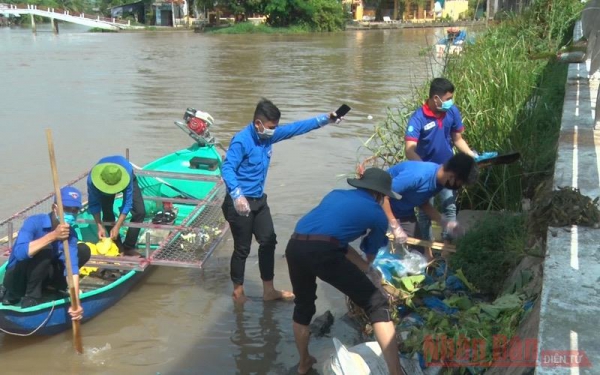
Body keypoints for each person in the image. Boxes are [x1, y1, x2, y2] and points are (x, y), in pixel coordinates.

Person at [221, 98, 343, 303]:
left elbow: (296, 128)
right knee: (242, 249)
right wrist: (236, 194)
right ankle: (238, 292)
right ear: (258, 124)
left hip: (258, 200)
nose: (273, 131)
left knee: (268, 241)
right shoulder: (242, 140)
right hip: (239, 203)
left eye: (275, 127)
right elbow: (227, 168)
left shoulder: (267, 137)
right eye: (271, 127)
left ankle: (269, 290)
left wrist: (326, 119)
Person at [285, 168, 406, 375]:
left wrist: (365, 269)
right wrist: (372, 270)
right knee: (377, 303)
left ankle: (304, 363)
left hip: (295, 245)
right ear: (380, 195)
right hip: (322, 252)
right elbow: (370, 251)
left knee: (303, 306)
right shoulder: (377, 214)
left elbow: (333, 239)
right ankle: (396, 372)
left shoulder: (335, 195)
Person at [404, 77, 477, 242]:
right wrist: (425, 171)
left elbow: (457, 139)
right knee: (424, 213)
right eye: (448, 99)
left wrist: (472, 157)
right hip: (427, 173)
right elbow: (410, 150)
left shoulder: (452, 112)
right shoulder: (418, 118)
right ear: (436, 98)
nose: (450, 102)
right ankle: (427, 248)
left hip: (448, 170)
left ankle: (448, 245)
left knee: (449, 208)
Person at [0, 187, 91, 319]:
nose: (71, 214)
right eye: (66, 209)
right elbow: (20, 253)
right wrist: (53, 236)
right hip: (18, 279)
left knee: (83, 250)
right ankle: (30, 299)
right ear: (55, 208)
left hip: (41, 278)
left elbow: (72, 270)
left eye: (75, 210)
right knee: (45, 249)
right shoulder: (34, 222)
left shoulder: (71, 234)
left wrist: (75, 302)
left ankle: (52, 289)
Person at [384, 153, 479, 258]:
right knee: (383, 250)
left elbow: (423, 203)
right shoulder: (417, 175)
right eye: (460, 184)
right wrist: (394, 225)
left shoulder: (438, 183)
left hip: (403, 212)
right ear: (453, 175)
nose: (459, 187)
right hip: (378, 206)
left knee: (418, 253)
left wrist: (445, 223)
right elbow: (382, 196)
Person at [88, 155, 145, 257]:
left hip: (125, 176)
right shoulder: (92, 181)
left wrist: (117, 226)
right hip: (104, 182)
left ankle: (129, 246)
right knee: (107, 214)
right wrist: (99, 226)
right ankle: (119, 248)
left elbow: (127, 203)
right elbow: (93, 204)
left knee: (140, 211)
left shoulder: (127, 175)